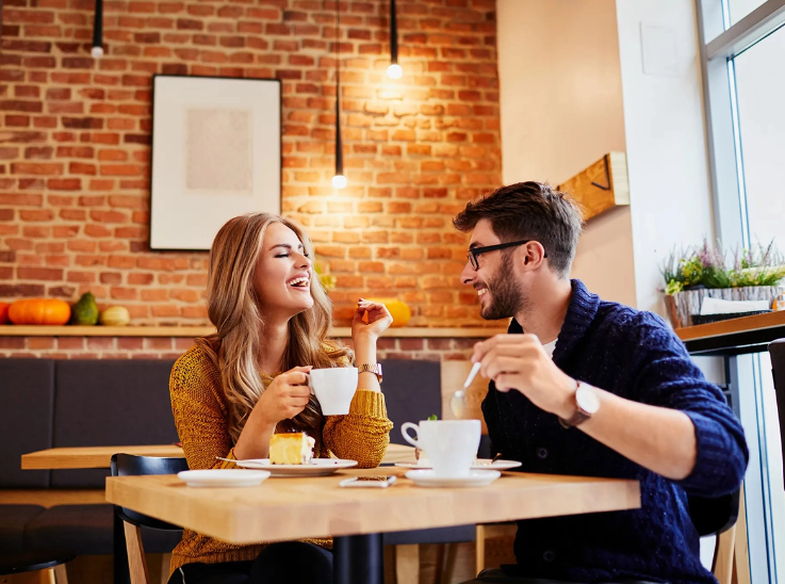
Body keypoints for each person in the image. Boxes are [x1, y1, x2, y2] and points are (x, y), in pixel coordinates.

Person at [454, 182, 748, 584]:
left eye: (477, 255)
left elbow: (726, 456)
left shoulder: (634, 335)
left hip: (643, 576)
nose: (465, 275)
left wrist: (569, 397)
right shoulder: (507, 370)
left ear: (529, 255)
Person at [167, 213, 393, 584]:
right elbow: (214, 501)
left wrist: (366, 344)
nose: (305, 263)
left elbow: (365, 454)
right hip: (221, 557)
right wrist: (263, 417)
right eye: (283, 254)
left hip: (309, 545)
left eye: (303, 253)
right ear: (243, 274)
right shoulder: (197, 371)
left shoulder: (328, 362)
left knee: (299, 560)